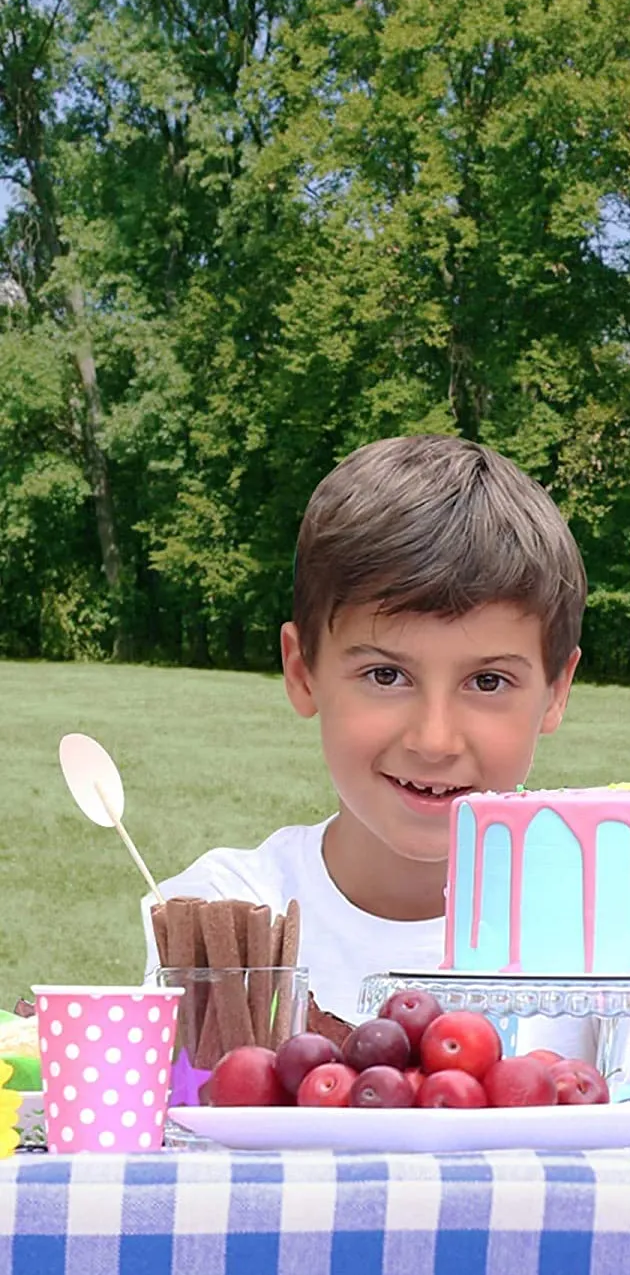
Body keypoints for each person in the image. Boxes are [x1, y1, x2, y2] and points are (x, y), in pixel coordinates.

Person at [140, 435, 589, 1051]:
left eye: (487, 681)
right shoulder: (223, 917)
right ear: (303, 673)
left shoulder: (616, 923)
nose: (434, 740)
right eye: (386, 675)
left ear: (556, 691)